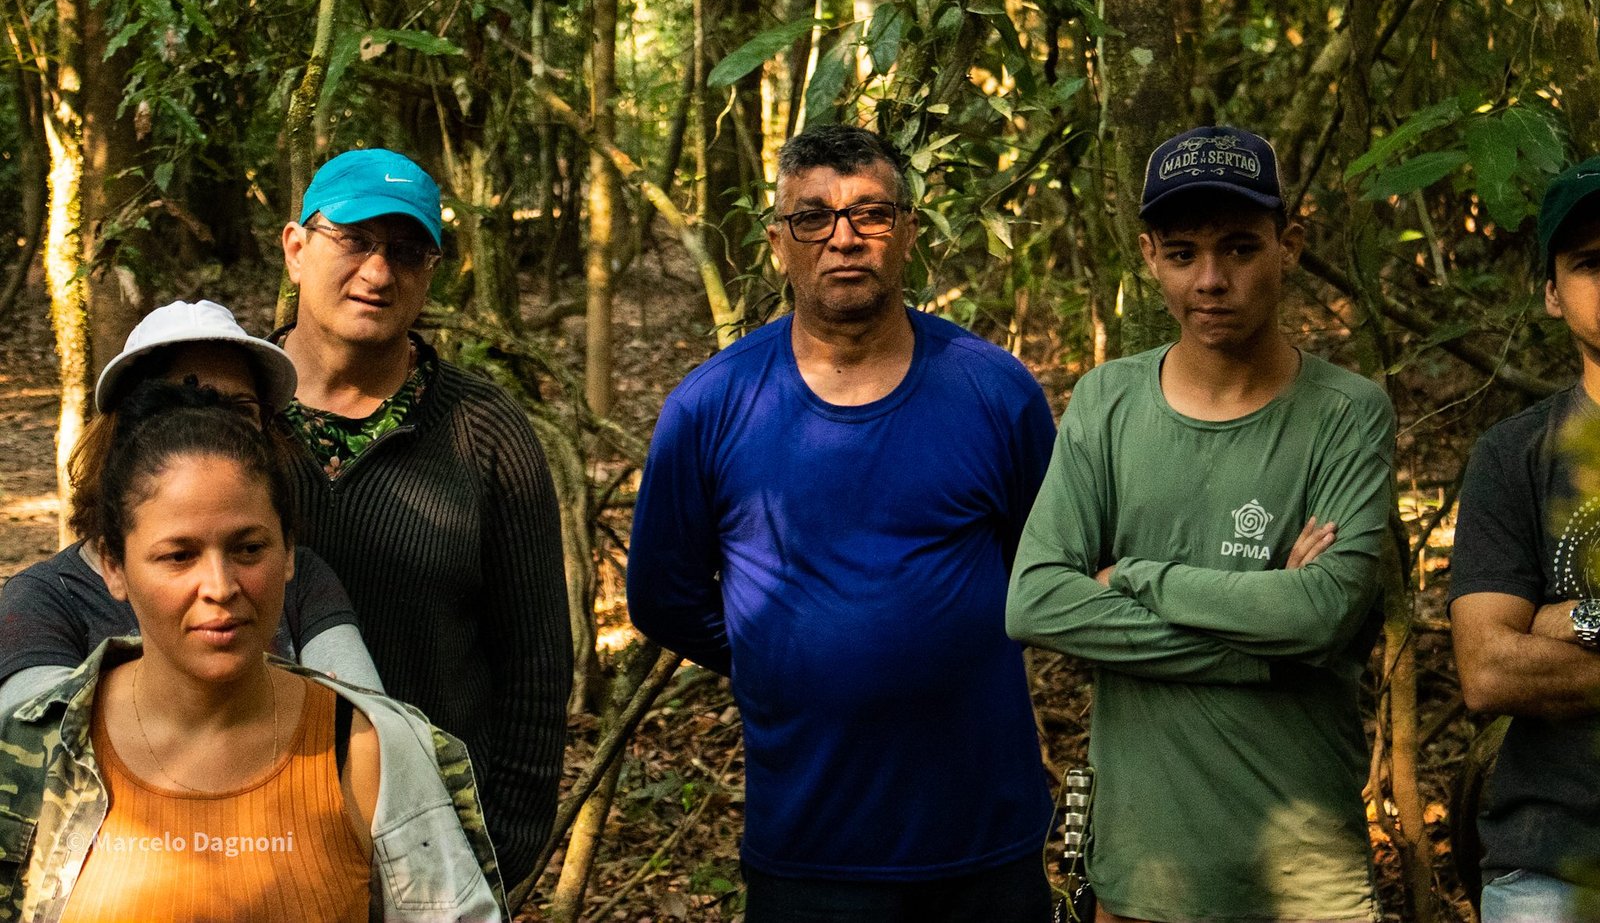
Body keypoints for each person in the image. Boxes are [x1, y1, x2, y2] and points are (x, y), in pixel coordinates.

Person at [627, 124, 1056, 921]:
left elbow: (1043, 564)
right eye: (813, 217)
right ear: (777, 244)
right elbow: (662, 595)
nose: (844, 238)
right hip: (810, 839)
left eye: (871, 214)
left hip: (984, 835)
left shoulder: (995, 390)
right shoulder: (711, 406)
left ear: (909, 233)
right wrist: (775, 653)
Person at [1007, 125, 1395, 923]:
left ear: (1289, 246)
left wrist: (1138, 576)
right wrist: (1265, 644)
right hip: (1143, 874)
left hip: (1308, 883)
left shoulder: (1348, 414)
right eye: (1183, 253)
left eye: (1240, 248)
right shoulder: (1106, 402)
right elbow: (1037, 601)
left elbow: (1323, 612)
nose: (1211, 280)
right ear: (1150, 255)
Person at [0, 382, 504, 922]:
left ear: (288, 553)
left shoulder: (369, 750)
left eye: (248, 548)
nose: (220, 586)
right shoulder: (38, 751)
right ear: (113, 567)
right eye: (179, 555)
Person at [275, 148, 571, 886]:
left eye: (407, 251)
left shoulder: (485, 431)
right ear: (296, 248)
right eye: (354, 240)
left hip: (434, 846)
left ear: (432, 271)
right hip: (249, 836)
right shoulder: (229, 412)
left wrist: (501, 844)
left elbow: (535, 663)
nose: (378, 272)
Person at [0, 299, 381, 713]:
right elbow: (37, 735)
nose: (212, 422)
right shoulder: (46, 597)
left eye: (240, 409)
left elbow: (368, 720)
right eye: (181, 401)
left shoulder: (297, 578)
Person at [1449, 157, 1600, 922]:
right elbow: (1487, 669)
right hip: (1550, 862)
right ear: (1551, 291)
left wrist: (1567, 620)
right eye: (1590, 263)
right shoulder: (1514, 455)